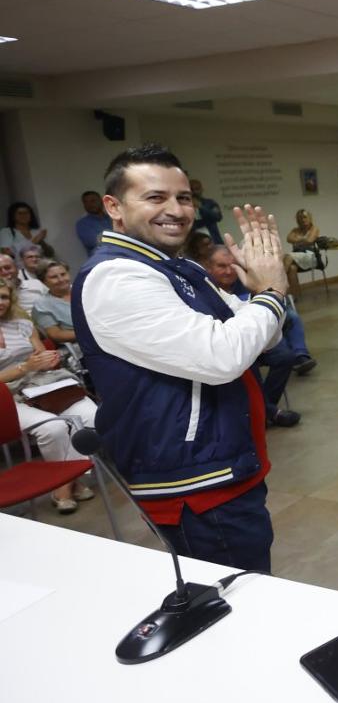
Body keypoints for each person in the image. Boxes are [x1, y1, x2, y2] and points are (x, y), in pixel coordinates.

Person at [71, 144, 289, 572]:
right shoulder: (117, 277)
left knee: (254, 587)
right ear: (114, 206)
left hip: (226, 463)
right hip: (192, 483)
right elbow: (223, 356)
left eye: (184, 198)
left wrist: (266, 296)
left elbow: (265, 337)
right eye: (155, 198)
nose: (176, 210)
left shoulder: (176, 267)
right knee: (237, 601)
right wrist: (272, 293)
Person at [0, 281, 98, 513]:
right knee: (52, 429)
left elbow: (40, 355)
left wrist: (47, 360)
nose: (0, 302)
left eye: (4, 296)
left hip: (39, 388)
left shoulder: (22, 325)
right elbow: (26, 365)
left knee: (90, 418)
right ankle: (68, 484)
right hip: (7, 399)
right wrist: (24, 368)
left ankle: (66, 482)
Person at [202, 246, 302, 428]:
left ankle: (263, 409)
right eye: (221, 266)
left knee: (286, 357)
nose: (228, 271)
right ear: (208, 268)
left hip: (258, 341)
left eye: (232, 265)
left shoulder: (245, 282)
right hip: (230, 347)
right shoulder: (205, 290)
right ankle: (269, 411)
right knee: (246, 365)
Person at [31, 261, 77, 346]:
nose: (61, 280)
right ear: (44, 281)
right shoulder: (42, 304)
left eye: (63, 274)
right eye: (54, 277)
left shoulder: (84, 289)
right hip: (80, 343)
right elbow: (55, 334)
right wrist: (90, 334)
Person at [284, 208, 321, 291]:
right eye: (300, 218)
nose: (302, 219)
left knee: (288, 257)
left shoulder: (314, 229)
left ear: (309, 218)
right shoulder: (295, 230)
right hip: (297, 257)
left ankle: (279, 283)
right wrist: (303, 239)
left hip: (310, 257)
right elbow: (289, 239)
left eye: (304, 217)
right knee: (292, 268)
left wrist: (297, 239)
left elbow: (309, 240)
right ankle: (293, 296)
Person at [189, 178, 224, 244]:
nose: (194, 192)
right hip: (194, 243)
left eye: (197, 189)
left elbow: (218, 217)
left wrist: (201, 207)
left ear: (202, 189)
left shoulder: (210, 203)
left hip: (214, 240)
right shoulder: (184, 207)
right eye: (192, 189)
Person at [75, 191, 110, 256]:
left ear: (101, 201)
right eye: (85, 202)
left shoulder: (112, 218)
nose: (89, 205)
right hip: (102, 260)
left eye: (93, 201)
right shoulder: (82, 224)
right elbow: (97, 242)